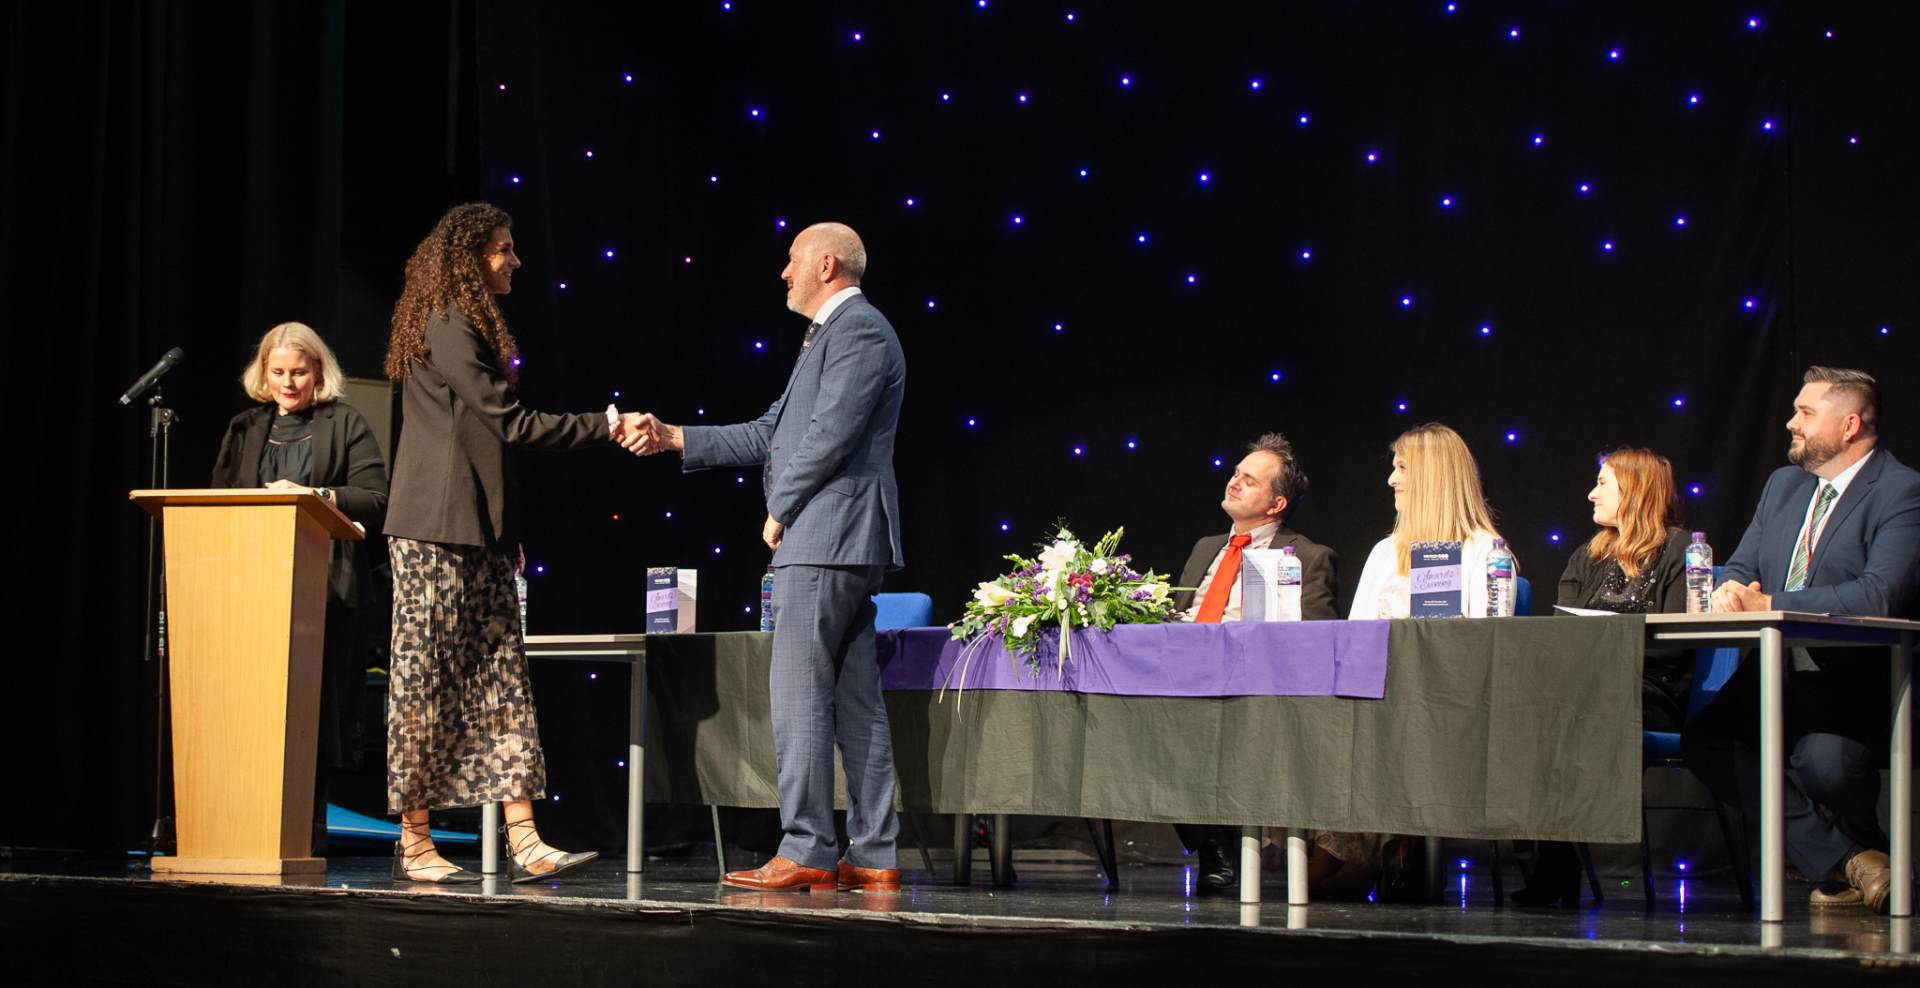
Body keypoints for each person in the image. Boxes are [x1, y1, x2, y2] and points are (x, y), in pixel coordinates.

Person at [622, 222, 907, 893]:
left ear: (826, 265)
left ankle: (807, 845)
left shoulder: (860, 330)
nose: (784, 272)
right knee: (856, 699)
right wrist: (674, 437)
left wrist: (780, 508)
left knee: (799, 694)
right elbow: (769, 432)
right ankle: (873, 854)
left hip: (828, 536)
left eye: (792, 260)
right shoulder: (824, 338)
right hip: (841, 539)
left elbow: (829, 435)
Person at [380, 202, 645, 884]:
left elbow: (484, 447)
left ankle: (526, 839)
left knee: (502, 679)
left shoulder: (463, 322)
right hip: (435, 531)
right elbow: (509, 423)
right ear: (471, 257)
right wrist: (605, 425)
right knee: (426, 681)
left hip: (478, 531)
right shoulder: (447, 321)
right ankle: (414, 842)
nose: (515, 260)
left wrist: (506, 533)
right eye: (503, 249)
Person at [1684, 366, 1920, 914]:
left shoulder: (1902, 491)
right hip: (1777, 668)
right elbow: (1738, 568)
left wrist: (1771, 602)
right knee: (1708, 741)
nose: (1791, 423)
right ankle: (1852, 861)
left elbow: (1879, 594)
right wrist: (1730, 591)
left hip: (1856, 675)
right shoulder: (1783, 486)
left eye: (1806, 413)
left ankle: (1854, 857)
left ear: (1849, 425)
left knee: (1827, 763)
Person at [211, 321, 388, 853]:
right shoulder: (245, 427)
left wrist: (315, 495)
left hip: (324, 589)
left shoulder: (345, 423)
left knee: (313, 714)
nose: (288, 383)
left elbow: (376, 498)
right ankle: (240, 828)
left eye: (299, 372)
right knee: (250, 712)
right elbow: (219, 501)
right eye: (278, 372)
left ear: (318, 373)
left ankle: (306, 834)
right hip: (254, 586)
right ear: (263, 374)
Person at [1168, 433, 1343, 893]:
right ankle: (1214, 840)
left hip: (1256, 689)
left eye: (1249, 480)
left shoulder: (1308, 557)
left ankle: (1218, 844)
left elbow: (1317, 644)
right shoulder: (1205, 547)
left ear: (1276, 504)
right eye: (1235, 473)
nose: (1234, 482)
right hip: (1187, 679)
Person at [1516, 447, 1689, 906]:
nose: (1591, 494)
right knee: (1531, 714)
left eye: (1602, 484)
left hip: (1649, 689)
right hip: (1583, 688)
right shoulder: (1586, 555)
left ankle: (1555, 866)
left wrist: (1610, 645)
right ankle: (1548, 859)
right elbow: (1564, 633)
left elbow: (1677, 641)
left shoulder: (1680, 551)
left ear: (1634, 491)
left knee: (1571, 717)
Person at [1349, 423, 1512, 620]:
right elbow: (1355, 633)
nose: (1391, 480)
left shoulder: (1487, 552)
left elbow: (1489, 635)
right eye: (1395, 468)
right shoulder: (1383, 551)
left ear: (1433, 477)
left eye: (1402, 468)